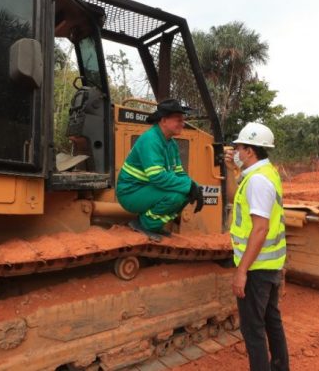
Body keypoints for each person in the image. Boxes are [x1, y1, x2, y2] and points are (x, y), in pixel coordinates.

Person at [224, 122, 289, 371]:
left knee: (253, 328)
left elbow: (260, 228)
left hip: (257, 267)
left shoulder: (258, 181)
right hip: (269, 264)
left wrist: (242, 271)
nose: (236, 152)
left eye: (239, 148)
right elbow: (233, 197)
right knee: (272, 319)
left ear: (250, 150)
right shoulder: (259, 174)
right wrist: (231, 170)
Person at [116, 98, 204, 241]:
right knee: (176, 196)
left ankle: (153, 225)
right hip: (130, 193)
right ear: (163, 121)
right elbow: (157, 176)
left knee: (184, 194)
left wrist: (196, 188)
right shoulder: (151, 140)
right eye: (178, 120)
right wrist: (189, 186)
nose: (183, 124)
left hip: (146, 188)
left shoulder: (171, 143)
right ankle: (144, 224)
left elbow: (179, 173)